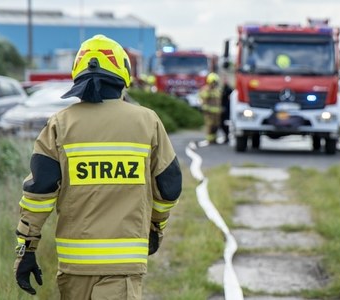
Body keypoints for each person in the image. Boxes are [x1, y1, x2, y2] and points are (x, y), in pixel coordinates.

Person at [13, 34, 182, 300]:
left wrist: (27, 248)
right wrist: (155, 227)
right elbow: (169, 187)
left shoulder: (60, 124)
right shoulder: (147, 122)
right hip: (123, 268)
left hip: (74, 267)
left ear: (78, 74)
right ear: (122, 74)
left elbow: (38, 194)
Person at [198, 72, 222, 144]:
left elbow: (219, 101)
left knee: (216, 126)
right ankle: (209, 140)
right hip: (209, 112)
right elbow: (203, 101)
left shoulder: (217, 90)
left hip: (217, 113)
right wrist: (205, 109)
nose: (215, 84)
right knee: (210, 126)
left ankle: (214, 139)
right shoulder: (206, 90)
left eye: (216, 82)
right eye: (214, 82)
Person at [219, 74, 233, 144]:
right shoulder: (222, 89)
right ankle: (226, 136)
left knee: (225, 123)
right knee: (221, 124)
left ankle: (227, 137)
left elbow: (230, 100)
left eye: (225, 79)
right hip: (222, 109)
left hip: (227, 109)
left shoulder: (229, 89)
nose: (224, 81)